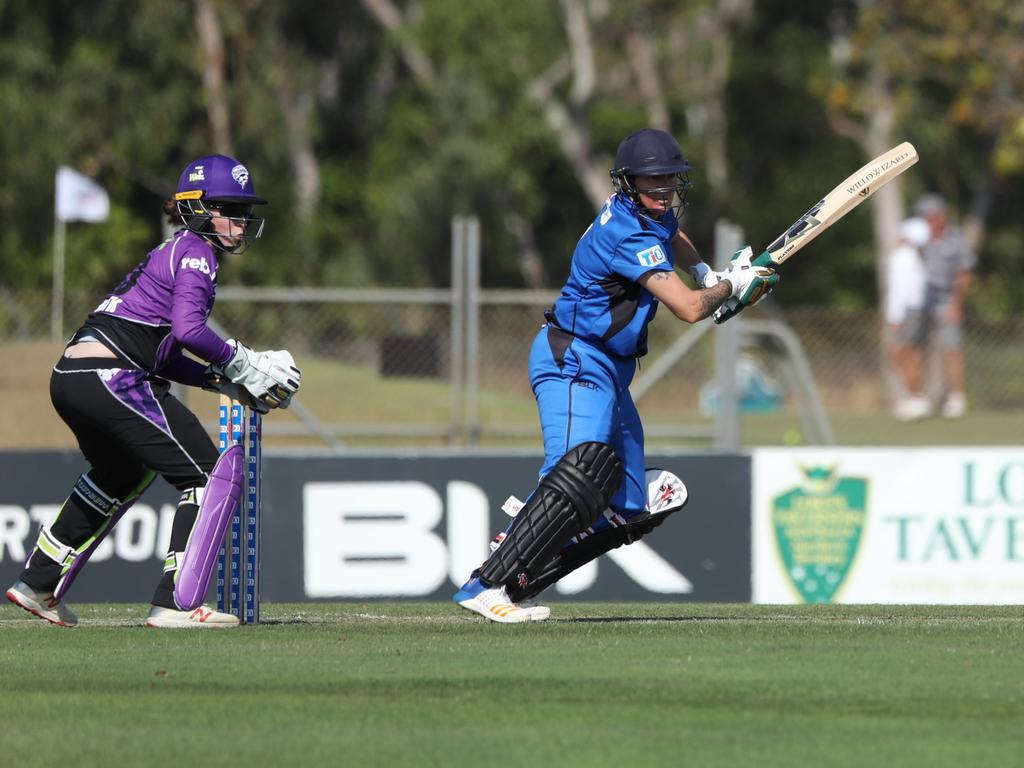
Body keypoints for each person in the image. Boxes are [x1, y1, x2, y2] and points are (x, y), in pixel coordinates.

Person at [453, 128, 779, 622]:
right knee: (573, 472)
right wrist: (733, 284)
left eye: (670, 182)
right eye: (653, 184)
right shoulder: (624, 232)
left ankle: (522, 581)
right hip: (575, 359)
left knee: (629, 507)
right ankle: (486, 583)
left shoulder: (649, 213)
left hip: (609, 368)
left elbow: (675, 239)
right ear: (627, 184)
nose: (664, 192)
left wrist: (710, 275)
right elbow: (691, 311)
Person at [5, 154, 301, 628]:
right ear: (197, 207)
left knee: (121, 473)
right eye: (230, 208)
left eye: (244, 211)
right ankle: (176, 603)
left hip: (72, 377)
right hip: (112, 377)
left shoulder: (176, 249)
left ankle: (38, 584)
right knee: (209, 475)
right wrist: (241, 361)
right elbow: (187, 331)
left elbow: (161, 350)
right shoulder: (197, 253)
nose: (241, 223)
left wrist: (215, 379)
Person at [914, 194, 976, 418]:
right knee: (917, 347)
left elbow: (964, 273)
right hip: (921, 299)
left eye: (930, 216)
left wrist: (956, 304)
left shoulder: (957, 238)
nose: (927, 220)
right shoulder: (919, 238)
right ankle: (918, 398)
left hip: (947, 297)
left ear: (941, 215)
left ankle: (957, 397)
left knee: (951, 348)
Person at [885, 217, 932, 421]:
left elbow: (899, 290)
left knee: (905, 353)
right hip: (914, 310)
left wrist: (895, 316)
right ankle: (913, 395)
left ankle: (914, 397)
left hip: (905, 311)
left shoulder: (902, 257)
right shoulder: (916, 258)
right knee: (910, 353)